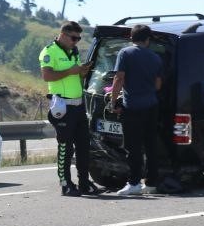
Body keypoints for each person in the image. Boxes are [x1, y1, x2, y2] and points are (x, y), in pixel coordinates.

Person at [40, 21, 98, 196]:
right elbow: (47, 76)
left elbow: (76, 74)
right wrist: (71, 71)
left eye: (79, 38)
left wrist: (82, 71)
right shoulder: (49, 51)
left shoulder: (73, 51)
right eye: (74, 38)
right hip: (62, 106)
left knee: (83, 145)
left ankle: (84, 182)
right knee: (65, 147)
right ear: (63, 35)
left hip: (78, 104)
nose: (76, 42)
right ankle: (65, 183)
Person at [108, 24, 163, 195]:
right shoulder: (156, 58)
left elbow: (119, 78)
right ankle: (152, 183)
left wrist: (113, 101)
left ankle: (134, 183)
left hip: (132, 106)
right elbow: (158, 84)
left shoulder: (125, 53)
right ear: (147, 40)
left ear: (131, 38)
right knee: (151, 145)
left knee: (133, 147)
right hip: (152, 106)